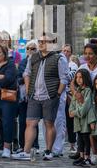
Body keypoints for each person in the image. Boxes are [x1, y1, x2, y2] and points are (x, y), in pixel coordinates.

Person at [11, 32, 69, 161]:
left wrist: (58, 94)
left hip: (50, 95)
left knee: (49, 123)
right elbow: (26, 73)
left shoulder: (59, 58)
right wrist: (27, 89)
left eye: (44, 41)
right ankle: (26, 152)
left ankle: (48, 151)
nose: (41, 44)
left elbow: (64, 79)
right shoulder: (33, 57)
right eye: (40, 41)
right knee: (30, 123)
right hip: (34, 96)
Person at [69, 69, 97, 167]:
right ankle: (81, 156)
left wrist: (75, 112)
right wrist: (71, 111)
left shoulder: (88, 90)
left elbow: (86, 106)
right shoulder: (77, 91)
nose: (78, 79)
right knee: (79, 138)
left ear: (85, 78)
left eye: (81, 77)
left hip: (84, 120)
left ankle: (87, 157)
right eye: (77, 77)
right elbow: (72, 103)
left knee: (86, 138)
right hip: (77, 120)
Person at [16, 41, 39, 152]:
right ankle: (22, 145)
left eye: (33, 48)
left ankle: (35, 145)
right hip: (24, 97)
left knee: (34, 122)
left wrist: (27, 79)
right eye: (28, 48)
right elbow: (19, 78)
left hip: (36, 96)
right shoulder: (23, 62)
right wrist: (27, 79)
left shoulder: (40, 62)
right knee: (22, 121)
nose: (30, 50)